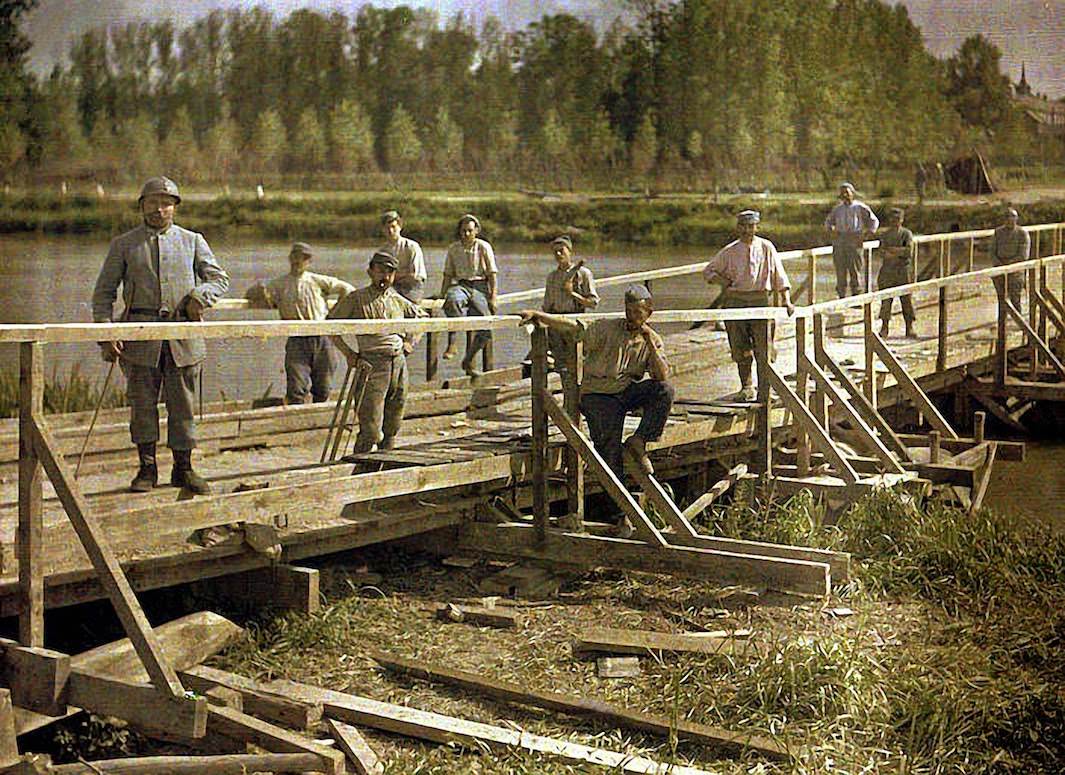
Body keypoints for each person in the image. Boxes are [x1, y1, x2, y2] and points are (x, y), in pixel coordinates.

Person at [92, 176, 229, 494]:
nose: (159, 209)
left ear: (175, 208)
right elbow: (103, 294)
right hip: (140, 337)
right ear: (142, 206)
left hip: (182, 335)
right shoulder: (124, 244)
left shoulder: (193, 240)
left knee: (183, 404)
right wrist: (106, 332)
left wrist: (199, 297)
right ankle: (147, 469)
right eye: (152, 202)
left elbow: (219, 279)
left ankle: (184, 468)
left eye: (166, 203)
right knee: (142, 404)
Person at [519, 284, 673, 481]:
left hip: (624, 391)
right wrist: (538, 315)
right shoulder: (606, 328)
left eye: (637, 312)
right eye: (628, 311)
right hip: (598, 395)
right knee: (610, 450)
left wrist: (650, 343)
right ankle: (615, 508)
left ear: (648, 313)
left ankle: (639, 440)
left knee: (664, 391)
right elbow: (572, 326)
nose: (632, 317)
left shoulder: (653, 339)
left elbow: (662, 376)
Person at [328, 251, 426, 453]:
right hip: (372, 366)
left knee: (393, 424)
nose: (385, 277)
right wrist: (348, 353)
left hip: (398, 363)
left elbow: (423, 319)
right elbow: (331, 326)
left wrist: (411, 341)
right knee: (371, 430)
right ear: (370, 272)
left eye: (390, 273)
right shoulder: (357, 298)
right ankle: (359, 470)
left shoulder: (397, 299)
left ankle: (385, 467)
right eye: (381, 271)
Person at [703, 210, 794, 401]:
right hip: (736, 302)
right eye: (743, 226)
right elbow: (709, 271)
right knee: (740, 345)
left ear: (757, 227)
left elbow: (779, 275)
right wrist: (723, 281)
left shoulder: (766, 247)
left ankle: (765, 388)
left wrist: (786, 300)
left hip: (760, 300)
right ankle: (746, 387)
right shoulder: (729, 251)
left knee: (764, 347)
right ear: (738, 228)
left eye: (751, 226)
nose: (747, 230)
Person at [263, 242, 354, 404]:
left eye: (304, 258)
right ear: (290, 258)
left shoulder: (317, 280)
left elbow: (347, 289)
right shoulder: (280, 283)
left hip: (322, 337)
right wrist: (265, 296)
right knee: (296, 387)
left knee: (323, 387)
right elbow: (259, 294)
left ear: (309, 261)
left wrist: (334, 314)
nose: (299, 261)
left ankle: (318, 421)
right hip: (297, 339)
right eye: (296, 256)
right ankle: (295, 419)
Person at [439, 214, 498, 376]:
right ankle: (452, 343)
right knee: (452, 300)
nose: (466, 234)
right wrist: (442, 294)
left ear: (476, 231)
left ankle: (468, 360)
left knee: (486, 330)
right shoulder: (454, 248)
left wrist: (493, 297)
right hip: (462, 286)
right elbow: (448, 274)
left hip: (480, 286)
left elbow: (492, 274)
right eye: (463, 231)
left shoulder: (483, 247)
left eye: (469, 231)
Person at [541, 234, 599, 387]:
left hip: (575, 324)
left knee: (577, 366)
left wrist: (572, 293)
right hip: (556, 325)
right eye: (555, 252)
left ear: (570, 252)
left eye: (562, 251)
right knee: (561, 367)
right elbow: (546, 306)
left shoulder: (583, 273)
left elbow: (593, 303)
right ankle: (567, 399)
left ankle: (577, 400)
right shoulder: (552, 277)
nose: (558, 254)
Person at [824, 182, 879, 297]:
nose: (845, 195)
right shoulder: (837, 209)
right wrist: (831, 231)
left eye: (847, 193)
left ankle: (856, 297)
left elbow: (874, 221)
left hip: (854, 240)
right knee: (840, 271)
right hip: (840, 241)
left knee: (855, 271)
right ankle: (841, 297)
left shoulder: (860, 207)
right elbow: (828, 222)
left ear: (852, 194)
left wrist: (867, 234)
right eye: (843, 193)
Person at [876, 208, 917, 338]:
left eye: (897, 219)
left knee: (906, 300)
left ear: (902, 220)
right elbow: (882, 252)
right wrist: (897, 252)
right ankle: (884, 327)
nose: (895, 222)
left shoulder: (906, 234)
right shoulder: (885, 235)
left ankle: (909, 327)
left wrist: (893, 251)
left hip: (903, 271)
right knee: (886, 300)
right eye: (892, 219)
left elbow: (908, 252)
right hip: (887, 271)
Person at [378, 210, 427, 302]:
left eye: (393, 227)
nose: (390, 231)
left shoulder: (411, 246)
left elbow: (415, 276)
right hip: (392, 287)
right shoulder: (382, 251)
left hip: (412, 287)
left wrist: (392, 277)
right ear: (383, 230)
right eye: (387, 228)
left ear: (400, 227)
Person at [991, 207, 1030, 311]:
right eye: (1007, 217)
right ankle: (1001, 323)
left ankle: (1019, 322)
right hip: (999, 268)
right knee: (1001, 298)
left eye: (1012, 216)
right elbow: (992, 252)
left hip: (1016, 269)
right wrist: (999, 264)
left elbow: (1023, 255)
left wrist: (1009, 265)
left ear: (1016, 219)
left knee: (1015, 298)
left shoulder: (1022, 233)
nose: (1009, 219)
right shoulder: (998, 232)